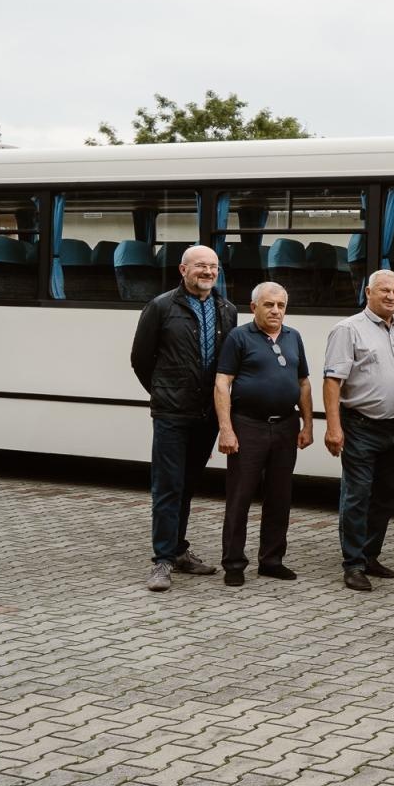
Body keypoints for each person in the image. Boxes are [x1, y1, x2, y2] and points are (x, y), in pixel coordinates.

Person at [130, 245, 237, 592]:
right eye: (200, 266)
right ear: (183, 270)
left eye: (213, 267)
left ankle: (178, 550)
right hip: (172, 413)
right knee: (167, 486)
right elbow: (140, 359)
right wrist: (163, 390)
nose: (207, 272)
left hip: (206, 415)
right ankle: (162, 560)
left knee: (188, 485)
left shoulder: (227, 309)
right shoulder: (161, 307)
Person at [323, 269, 394, 591]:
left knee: (386, 496)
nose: (392, 297)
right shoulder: (347, 330)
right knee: (357, 495)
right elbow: (332, 382)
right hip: (361, 426)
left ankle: (370, 555)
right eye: (384, 291)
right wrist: (333, 428)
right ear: (369, 292)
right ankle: (352, 564)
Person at [213, 282, 313, 586]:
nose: (276, 311)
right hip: (248, 426)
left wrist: (308, 424)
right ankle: (233, 563)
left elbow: (304, 383)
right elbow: (222, 383)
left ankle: (271, 560)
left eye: (281, 305)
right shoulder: (239, 337)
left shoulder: (294, 337)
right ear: (254, 307)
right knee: (240, 496)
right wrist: (226, 429)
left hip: (285, 425)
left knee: (280, 496)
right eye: (269, 305)